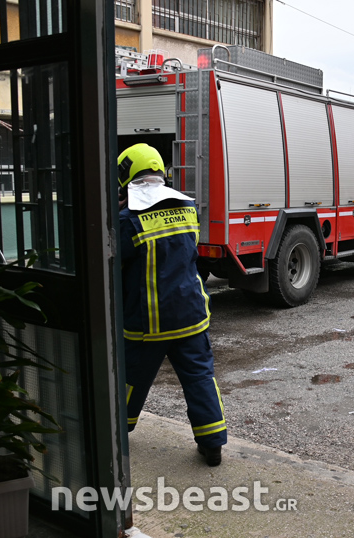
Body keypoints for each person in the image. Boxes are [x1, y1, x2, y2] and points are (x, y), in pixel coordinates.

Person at [117, 143, 227, 466]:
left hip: (148, 323)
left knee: (130, 379)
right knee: (200, 377)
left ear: (127, 177)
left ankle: (116, 430)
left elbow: (115, 259)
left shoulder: (129, 220)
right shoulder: (188, 207)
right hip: (192, 315)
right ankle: (213, 445)